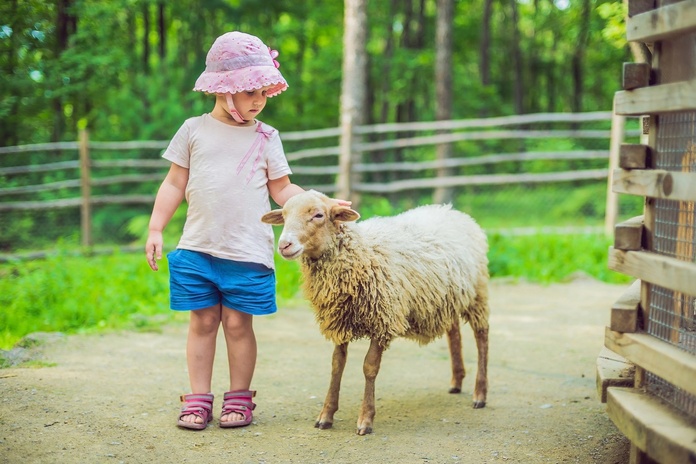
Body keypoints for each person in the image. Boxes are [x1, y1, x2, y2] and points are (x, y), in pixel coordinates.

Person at [145, 31, 343, 430]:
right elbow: (173, 183)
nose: (259, 100)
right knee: (202, 321)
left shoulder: (266, 137)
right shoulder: (193, 130)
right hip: (197, 246)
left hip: (245, 250)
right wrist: (155, 228)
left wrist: (322, 204)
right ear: (224, 89)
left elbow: (283, 189)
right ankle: (198, 398)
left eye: (265, 92)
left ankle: (239, 399)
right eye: (251, 90)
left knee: (237, 324)